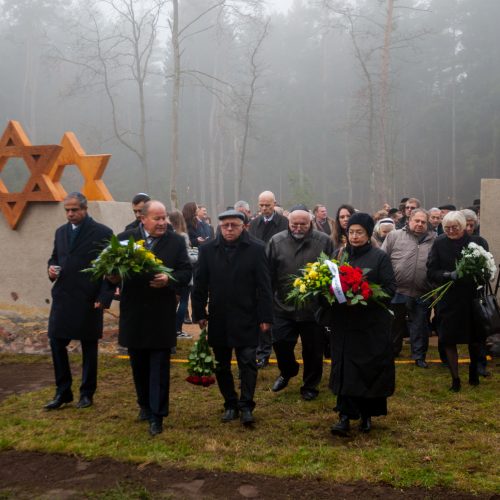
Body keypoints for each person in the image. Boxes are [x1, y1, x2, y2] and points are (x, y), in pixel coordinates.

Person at [112, 201, 192, 436]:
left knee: (159, 366)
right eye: (157, 218)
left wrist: (169, 280)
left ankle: (158, 415)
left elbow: (186, 272)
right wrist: (112, 278)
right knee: (138, 363)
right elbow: (113, 272)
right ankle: (144, 406)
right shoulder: (125, 238)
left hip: (161, 314)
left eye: (164, 217)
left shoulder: (176, 241)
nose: (162, 222)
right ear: (143, 219)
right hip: (134, 313)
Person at [192, 210, 273, 425]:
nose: (229, 229)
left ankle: (246, 405)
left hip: (247, 316)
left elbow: (265, 286)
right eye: (225, 225)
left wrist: (266, 317)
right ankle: (230, 403)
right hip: (219, 317)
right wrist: (199, 312)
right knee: (221, 365)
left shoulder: (256, 249)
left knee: (247, 362)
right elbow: (199, 283)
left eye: (234, 225)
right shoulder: (208, 250)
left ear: (243, 226)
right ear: (219, 226)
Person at [45, 192, 114, 410]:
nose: (70, 214)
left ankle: (86, 393)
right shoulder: (61, 232)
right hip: (63, 298)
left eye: (75, 209)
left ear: (85, 209)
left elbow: (111, 269)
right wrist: (51, 270)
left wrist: (104, 297)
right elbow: (55, 257)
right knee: (56, 342)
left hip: (88, 298)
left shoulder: (103, 233)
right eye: (67, 210)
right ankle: (63, 391)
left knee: (89, 347)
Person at [329, 213, 396, 436]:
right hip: (345, 324)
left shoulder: (379, 258)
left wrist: (364, 295)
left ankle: (367, 414)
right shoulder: (339, 255)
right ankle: (345, 416)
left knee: (367, 370)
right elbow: (329, 283)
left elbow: (389, 289)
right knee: (346, 369)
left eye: (360, 232)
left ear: (368, 234)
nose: (355, 236)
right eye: (351, 232)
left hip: (370, 325)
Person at [267, 205, 334, 400]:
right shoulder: (276, 241)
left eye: (302, 224)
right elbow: (268, 274)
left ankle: (310, 385)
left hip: (313, 308)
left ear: (310, 223)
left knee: (313, 350)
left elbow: (332, 271)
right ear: (288, 222)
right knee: (280, 343)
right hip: (282, 306)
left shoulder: (324, 241)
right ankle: (287, 371)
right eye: (294, 224)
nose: (298, 228)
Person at [427, 211, 487, 392]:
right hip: (449, 298)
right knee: (448, 338)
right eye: (447, 228)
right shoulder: (439, 243)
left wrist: (477, 274)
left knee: (474, 338)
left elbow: (486, 270)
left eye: (455, 228)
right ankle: (455, 378)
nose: (451, 231)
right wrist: (447, 275)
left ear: (464, 227)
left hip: (471, 298)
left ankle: (473, 372)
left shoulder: (477, 243)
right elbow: (431, 271)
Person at [382, 209, 436, 366]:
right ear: (409, 220)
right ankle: (392, 351)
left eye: (423, 222)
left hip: (422, 291)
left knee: (419, 326)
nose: (419, 224)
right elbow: (383, 259)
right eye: (416, 221)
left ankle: (419, 356)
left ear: (427, 224)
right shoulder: (394, 236)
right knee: (394, 324)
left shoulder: (434, 240)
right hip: (397, 290)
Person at [248, 190, 289, 369]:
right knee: (261, 311)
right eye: (261, 205)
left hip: (278, 273)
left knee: (276, 313)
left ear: (274, 204)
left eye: (268, 205)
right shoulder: (254, 223)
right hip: (258, 273)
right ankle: (262, 351)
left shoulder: (284, 223)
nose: (264, 209)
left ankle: (278, 346)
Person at [168, 209, 194, 340]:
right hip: (183, 273)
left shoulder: (168, 235)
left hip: (172, 273)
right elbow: (187, 256)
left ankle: (173, 328)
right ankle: (177, 329)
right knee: (183, 301)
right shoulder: (182, 236)